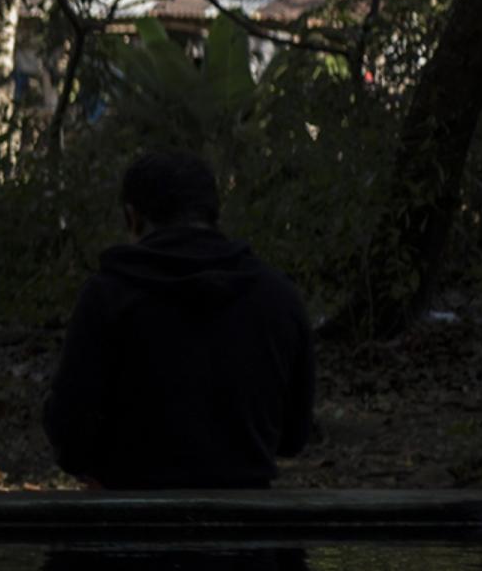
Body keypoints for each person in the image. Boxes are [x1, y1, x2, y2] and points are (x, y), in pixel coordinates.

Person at [42, 149, 315, 490]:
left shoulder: (107, 297)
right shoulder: (278, 296)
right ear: (214, 213)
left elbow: (69, 436)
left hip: (128, 530)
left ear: (133, 218)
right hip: (247, 533)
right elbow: (293, 438)